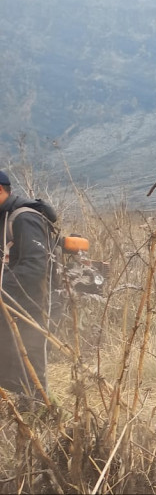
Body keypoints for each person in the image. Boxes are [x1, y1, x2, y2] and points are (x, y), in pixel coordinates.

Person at [0, 170, 58, 403]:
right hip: (11, 302)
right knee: (8, 361)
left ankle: (42, 412)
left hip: (34, 305)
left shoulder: (24, 218)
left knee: (30, 365)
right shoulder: (3, 216)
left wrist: (2, 287)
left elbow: (35, 267)